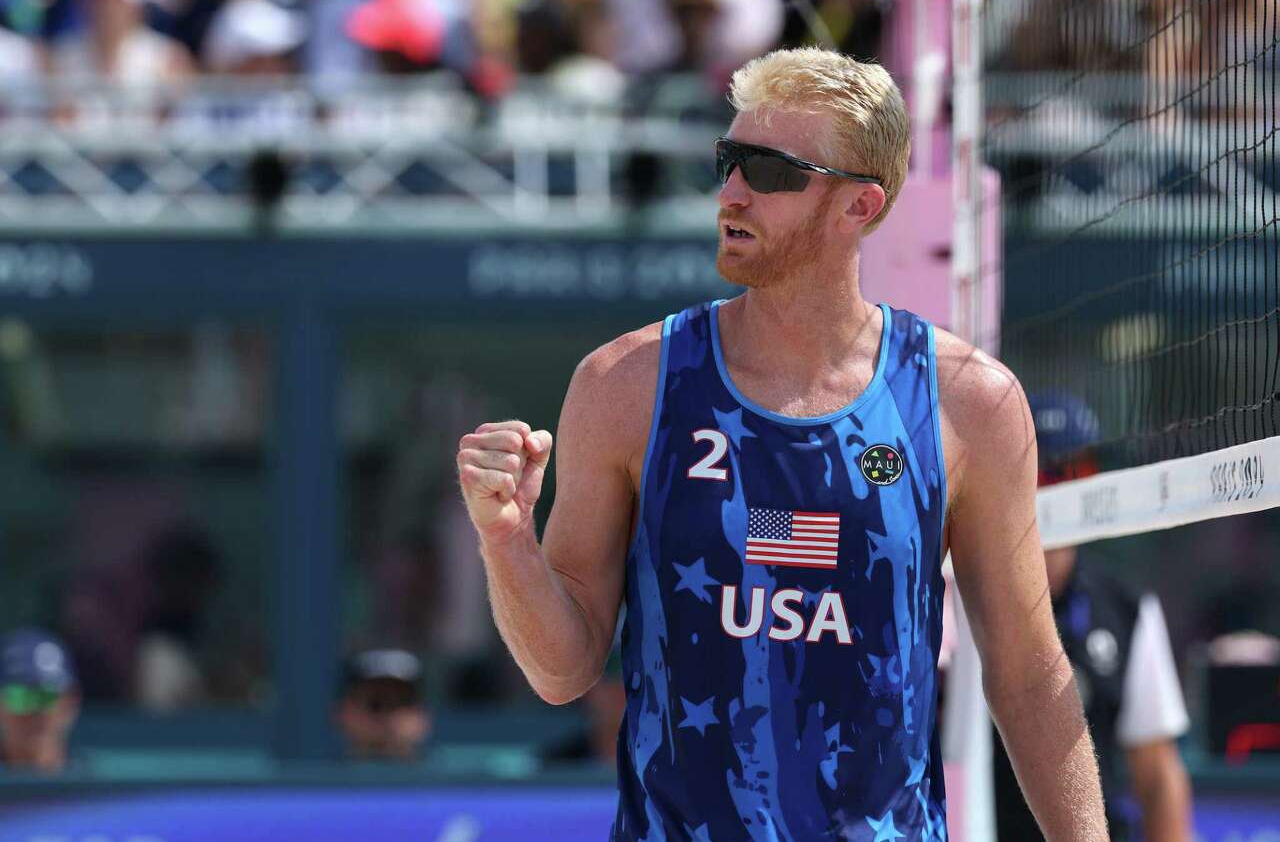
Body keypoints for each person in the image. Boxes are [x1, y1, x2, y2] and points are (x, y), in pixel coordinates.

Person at [457, 47, 1107, 839]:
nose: (731, 192)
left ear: (859, 206)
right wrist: (506, 539)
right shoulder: (627, 383)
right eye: (729, 160)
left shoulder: (969, 400)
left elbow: (1029, 676)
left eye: (768, 170)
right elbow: (563, 672)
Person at [993, 391, 1193, 841]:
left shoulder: (1126, 606)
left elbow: (1157, 772)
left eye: (1069, 471)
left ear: (1093, 476)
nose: (1051, 485)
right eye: (1036, 471)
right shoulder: (952, 595)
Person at [0, 628, 81, 773]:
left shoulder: (100, 789)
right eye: (21, 696)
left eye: (45, 696)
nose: (34, 711)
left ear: (70, 702)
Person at [334, 647, 431, 761]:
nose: (389, 715)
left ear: (422, 715)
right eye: (376, 703)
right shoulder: (319, 776)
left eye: (403, 701)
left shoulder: (451, 775)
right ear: (345, 712)